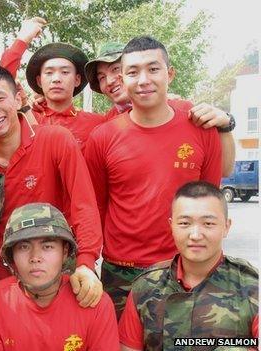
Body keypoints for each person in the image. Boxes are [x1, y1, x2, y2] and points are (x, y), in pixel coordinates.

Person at [83, 36, 223, 318]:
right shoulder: (102, 138)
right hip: (121, 271)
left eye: (153, 69)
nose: (143, 79)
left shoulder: (202, 130)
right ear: (123, 77)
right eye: (133, 72)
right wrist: (86, 261)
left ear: (169, 73)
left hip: (183, 266)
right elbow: (93, 206)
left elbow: (210, 203)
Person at [0, 65, 103, 307]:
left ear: (18, 98)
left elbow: (84, 204)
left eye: (0, 98)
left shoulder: (55, 140)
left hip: (54, 278)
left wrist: (86, 262)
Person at [118, 181, 258, 350]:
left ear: (226, 227)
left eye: (208, 224)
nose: (195, 235)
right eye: (185, 223)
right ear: (171, 226)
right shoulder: (146, 287)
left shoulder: (252, 287)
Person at [0, 203, 119, 350]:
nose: (35, 257)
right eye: (24, 247)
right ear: (12, 256)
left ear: (64, 252)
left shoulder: (94, 303)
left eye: (47, 246)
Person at [84, 42, 236, 176]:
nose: (110, 81)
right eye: (101, 77)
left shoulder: (186, 112)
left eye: (115, 69)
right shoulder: (105, 129)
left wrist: (226, 124)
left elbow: (223, 171)